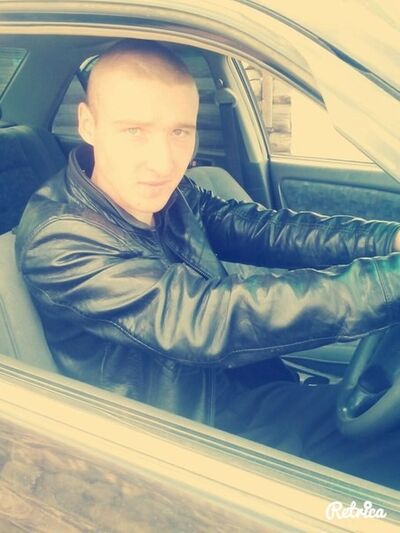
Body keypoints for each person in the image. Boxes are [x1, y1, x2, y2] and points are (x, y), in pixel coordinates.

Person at [16, 39, 400, 488]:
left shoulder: (170, 196)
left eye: (180, 132)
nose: (162, 162)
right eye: (134, 130)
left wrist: (388, 240)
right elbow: (203, 317)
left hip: (237, 385)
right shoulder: (59, 238)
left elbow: (265, 230)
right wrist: (388, 282)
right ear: (88, 123)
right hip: (186, 437)